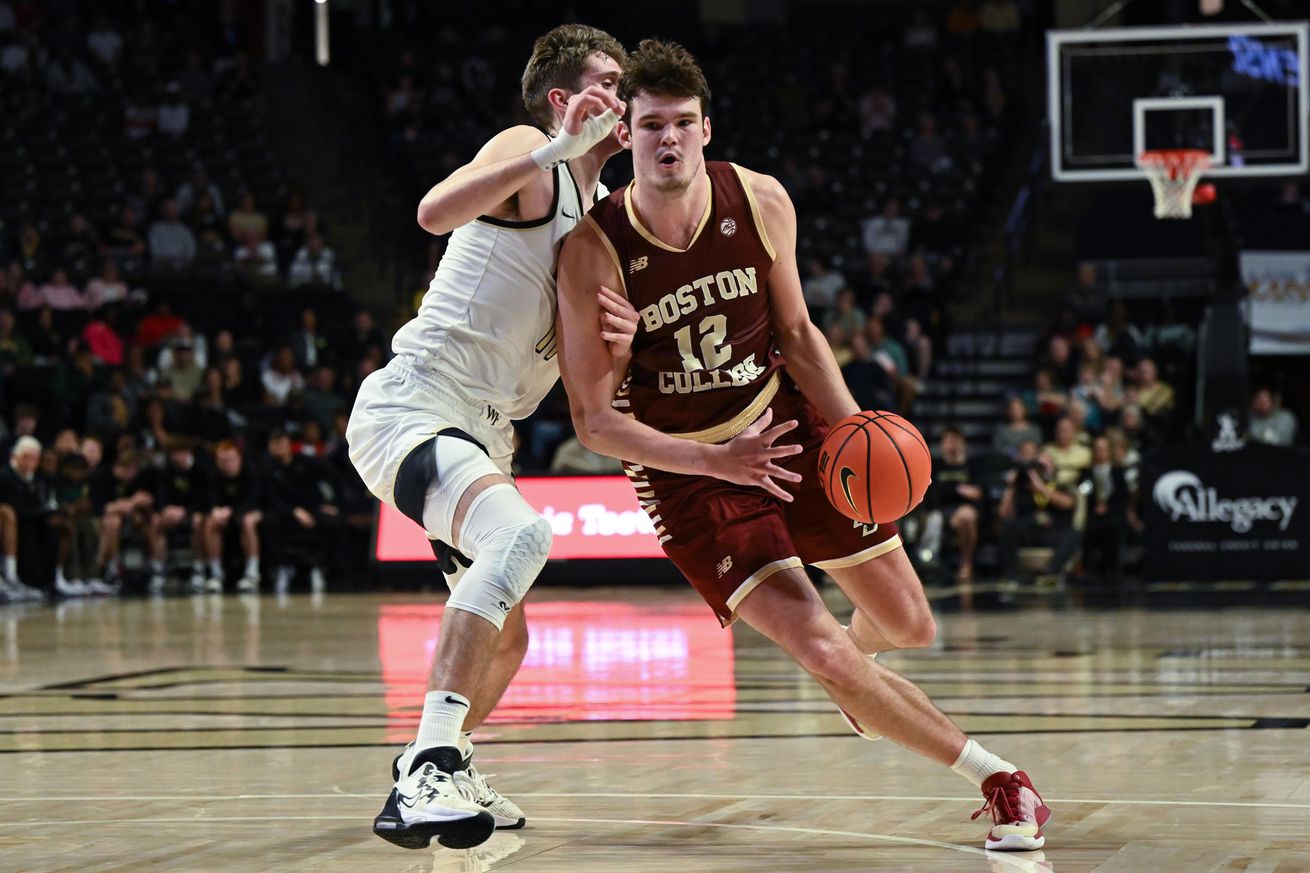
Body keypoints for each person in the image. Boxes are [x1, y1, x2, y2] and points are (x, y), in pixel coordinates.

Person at [556, 39, 1050, 853]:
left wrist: (854, 426)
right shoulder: (595, 251)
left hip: (781, 421)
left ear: (707, 128)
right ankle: (1001, 780)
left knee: (907, 623)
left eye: (682, 122)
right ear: (625, 137)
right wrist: (719, 460)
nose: (667, 139)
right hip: (692, 473)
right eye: (650, 126)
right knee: (820, 641)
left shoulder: (759, 199)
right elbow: (592, 422)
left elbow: (797, 331)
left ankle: (858, 686)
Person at [346, 24, 634, 852]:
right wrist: (553, 150)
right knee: (522, 534)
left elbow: (584, 378)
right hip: (417, 403)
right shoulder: (527, 150)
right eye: (607, 83)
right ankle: (428, 763)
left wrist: (623, 331)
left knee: (511, 636)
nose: (621, 100)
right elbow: (434, 212)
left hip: (486, 429)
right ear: (561, 98)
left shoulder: (599, 220)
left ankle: (445, 758)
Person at [997, 439, 1080, 584]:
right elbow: (1003, 514)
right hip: (1029, 532)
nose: (1042, 468)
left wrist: (1042, 487)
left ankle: (1051, 574)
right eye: (1039, 465)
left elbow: (1068, 503)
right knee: (1009, 526)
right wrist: (1011, 487)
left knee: (1074, 533)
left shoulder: (1060, 484)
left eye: (1046, 465)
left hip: (1051, 532)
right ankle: (1009, 575)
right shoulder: (1022, 485)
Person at [147, 437, 209, 595]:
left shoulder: (201, 470)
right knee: (156, 521)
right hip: (172, 513)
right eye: (173, 454)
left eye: (179, 453)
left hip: (193, 513)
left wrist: (185, 512)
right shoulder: (167, 470)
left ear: (188, 452)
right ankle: (157, 571)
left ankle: (199, 569)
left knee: (198, 521)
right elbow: (161, 495)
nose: (176, 457)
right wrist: (166, 510)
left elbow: (204, 499)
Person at [204, 441, 262, 593]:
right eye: (222, 461)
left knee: (248, 521)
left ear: (239, 458)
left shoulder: (252, 472)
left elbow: (253, 500)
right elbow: (211, 498)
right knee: (211, 523)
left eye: (230, 460)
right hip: (226, 514)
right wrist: (216, 511)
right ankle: (216, 574)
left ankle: (252, 573)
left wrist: (231, 511)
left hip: (255, 510)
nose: (226, 464)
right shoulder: (214, 474)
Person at [931, 426, 985, 583]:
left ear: (963, 443)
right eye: (948, 441)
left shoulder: (973, 466)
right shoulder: (936, 466)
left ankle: (966, 564)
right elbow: (934, 492)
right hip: (941, 510)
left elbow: (979, 492)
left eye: (955, 440)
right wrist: (958, 489)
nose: (952, 444)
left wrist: (951, 489)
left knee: (966, 515)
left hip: (968, 510)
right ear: (942, 444)